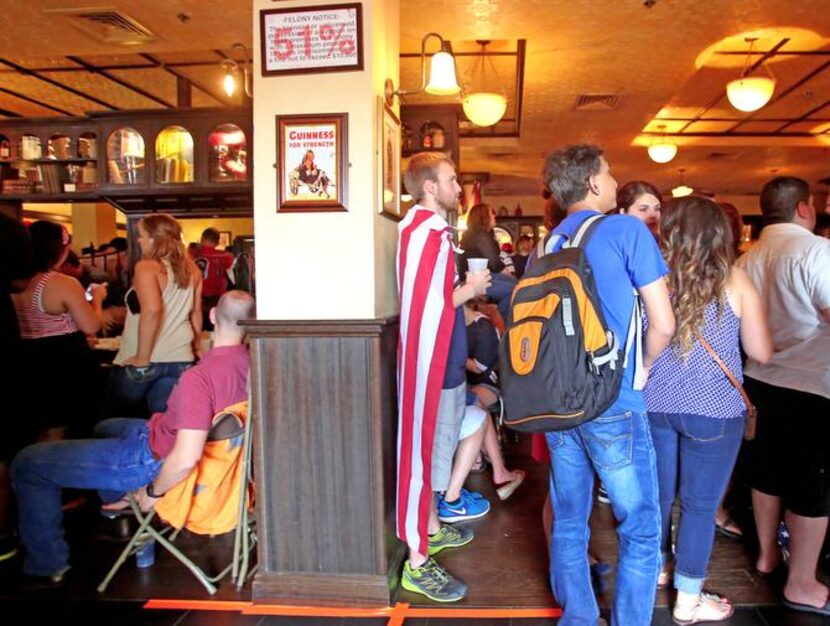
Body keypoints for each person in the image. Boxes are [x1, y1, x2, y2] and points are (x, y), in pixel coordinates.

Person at [11, 290, 254, 586]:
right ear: (252, 325)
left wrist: (152, 493)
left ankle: (48, 563)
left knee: (27, 464)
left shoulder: (199, 379)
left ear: (213, 316)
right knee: (105, 427)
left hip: (153, 460)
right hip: (175, 444)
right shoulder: (255, 367)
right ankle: (123, 510)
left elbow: (186, 457)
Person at [540, 144, 675, 626]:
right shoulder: (624, 229)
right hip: (614, 397)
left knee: (570, 520)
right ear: (594, 183)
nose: (615, 181)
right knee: (639, 526)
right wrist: (641, 369)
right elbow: (663, 322)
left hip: (559, 400)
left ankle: (577, 618)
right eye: (610, 172)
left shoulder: (549, 243)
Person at [644, 196, 772, 623]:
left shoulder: (653, 278)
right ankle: (687, 600)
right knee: (699, 507)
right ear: (721, 233)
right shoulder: (736, 281)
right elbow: (760, 352)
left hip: (655, 404)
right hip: (714, 411)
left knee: (658, 497)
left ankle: (660, 568)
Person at [396, 152, 491, 603]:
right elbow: (426, 307)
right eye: (452, 180)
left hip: (444, 362)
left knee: (434, 449)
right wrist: (470, 291)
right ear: (430, 187)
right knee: (421, 454)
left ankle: (430, 528)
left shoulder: (434, 231)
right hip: (428, 365)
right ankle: (417, 561)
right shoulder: (424, 231)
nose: (459, 188)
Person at [735, 176, 830, 617]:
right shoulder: (817, 252)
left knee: (766, 472)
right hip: (813, 383)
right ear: (805, 208)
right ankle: (803, 581)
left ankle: (767, 554)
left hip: (758, 380)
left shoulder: (746, 260)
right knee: (813, 483)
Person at [12, 221, 107, 440]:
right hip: (62, 358)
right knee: (60, 425)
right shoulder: (61, 283)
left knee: (34, 425)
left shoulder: (14, 283)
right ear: (60, 250)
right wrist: (98, 300)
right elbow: (91, 325)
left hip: (22, 355)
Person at [109, 214, 203, 417]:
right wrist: (196, 348)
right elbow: (195, 312)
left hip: (146, 359)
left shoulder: (146, 267)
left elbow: (152, 310)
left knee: (113, 416)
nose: (139, 240)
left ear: (155, 238)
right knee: (162, 423)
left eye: (142, 235)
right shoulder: (192, 269)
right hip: (180, 357)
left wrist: (142, 358)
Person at [460, 203, 518, 320]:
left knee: (517, 286)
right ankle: (504, 324)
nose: (494, 216)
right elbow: (495, 264)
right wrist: (511, 276)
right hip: (476, 279)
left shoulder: (475, 234)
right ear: (483, 216)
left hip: (483, 276)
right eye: (491, 213)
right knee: (516, 289)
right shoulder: (480, 236)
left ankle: (503, 321)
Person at [190, 227, 234, 330]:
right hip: (218, 299)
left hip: (196, 298)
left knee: (197, 330)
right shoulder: (226, 256)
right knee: (217, 329)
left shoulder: (191, 256)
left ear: (202, 239)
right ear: (217, 242)